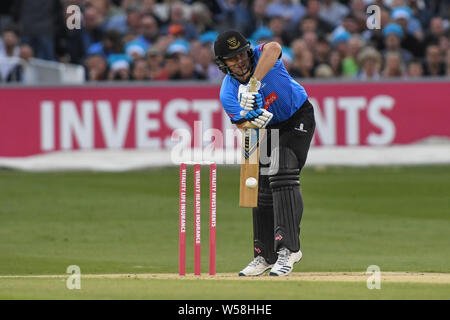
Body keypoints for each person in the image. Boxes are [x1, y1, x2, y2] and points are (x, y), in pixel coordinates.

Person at [214, 30, 315, 277]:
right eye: (231, 59)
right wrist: (252, 119)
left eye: (240, 55)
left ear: (247, 51)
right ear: (223, 64)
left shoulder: (262, 56)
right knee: (260, 187)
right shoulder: (227, 92)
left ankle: (289, 249)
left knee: (282, 171)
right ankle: (264, 255)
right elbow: (241, 126)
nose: (239, 61)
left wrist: (253, 84)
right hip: (266, 130)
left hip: (296, 117)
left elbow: (275, 47)